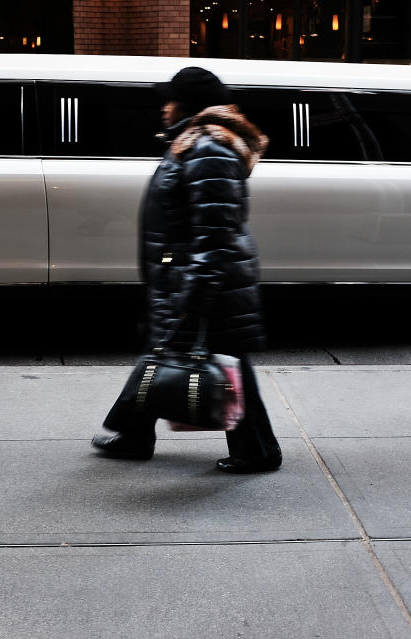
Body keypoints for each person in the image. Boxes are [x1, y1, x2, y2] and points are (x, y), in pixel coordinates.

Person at [91, 66, 282, 474]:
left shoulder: (208, 148)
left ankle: (254, 450)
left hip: (199, 275)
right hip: (184, 272)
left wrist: (194, 292)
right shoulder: (194, 143)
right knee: (174, 350)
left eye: (170, 99)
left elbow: (215, 234)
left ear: (187, 104)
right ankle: (134, 431)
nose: (163, 107)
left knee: (182, 351)